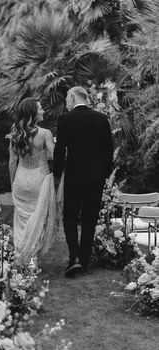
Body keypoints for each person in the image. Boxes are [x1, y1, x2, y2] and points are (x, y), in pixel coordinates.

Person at [53, 86, 113, 278]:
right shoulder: (101, 119)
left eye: (67, 100)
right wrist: (105, 174)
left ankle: (75, 258)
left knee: (70, 217)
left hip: (74, 176)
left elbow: (60, 150)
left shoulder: (66, 119)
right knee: (89, 219)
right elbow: (108, 150)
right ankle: (84, 262)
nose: (67, 104)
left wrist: (56, 174)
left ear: (72, 97)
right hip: (96, 178)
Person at [8, 97, 56, 262]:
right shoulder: (45, 134)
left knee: (22, 219)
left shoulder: (15, 132)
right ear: (33, 113)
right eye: (40, 108)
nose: (43, 111)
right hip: (39, 180)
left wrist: (12, 183)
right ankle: (31, 256)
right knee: (38, 219)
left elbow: (12, 162)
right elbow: (53, 156)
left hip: (21, 178)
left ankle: (21, 255)